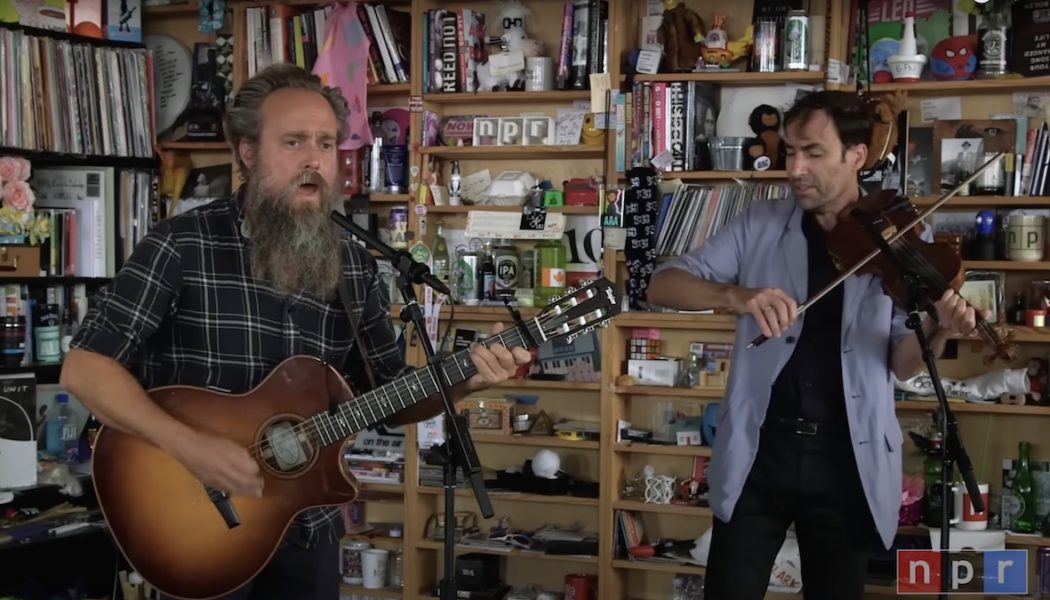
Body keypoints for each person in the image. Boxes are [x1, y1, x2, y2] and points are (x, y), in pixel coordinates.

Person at [59, 64, 532, 600]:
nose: (314, 160)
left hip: (307, 526)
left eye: (326, 144)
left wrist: (467, 378)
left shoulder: (352, 264)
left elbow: (388, 396)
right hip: (195, 521)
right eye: (294, 142)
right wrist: (190, 447)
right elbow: (85, 368)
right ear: (248, 152)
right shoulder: (181, 246)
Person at [647, 90, 984, 600]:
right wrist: (735, 295)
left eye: (814, 153)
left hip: (849, 456)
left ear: (856, 155)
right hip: (760, 450)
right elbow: (662, 284)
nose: (796, 169)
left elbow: (901, 363)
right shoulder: (759, 222)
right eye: (790, 152)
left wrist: (941, 331)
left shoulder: (901, 236)